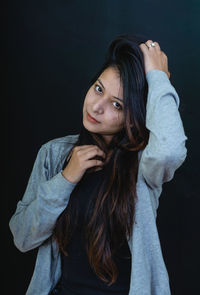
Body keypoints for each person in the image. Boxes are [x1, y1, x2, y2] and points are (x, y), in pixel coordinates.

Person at [9, 34, 188, 295]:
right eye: (98, 88)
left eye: (117, 104)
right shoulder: (53, 155)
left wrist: (157, 78)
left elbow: (170, 152)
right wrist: (66, 179)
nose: (96, 107)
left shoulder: (143, 165)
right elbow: (23, 238)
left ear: (132, 116)